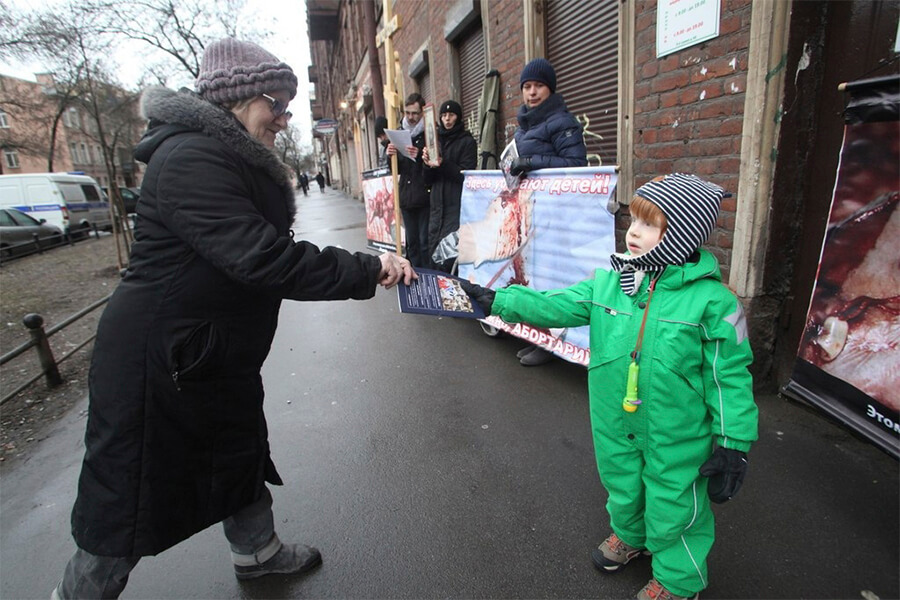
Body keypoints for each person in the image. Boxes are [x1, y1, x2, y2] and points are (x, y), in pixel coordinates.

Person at [52, 37, 415, 599]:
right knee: (128, 496)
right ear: (239, 97)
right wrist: (367, 270)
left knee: (236, 449)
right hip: (160, 363)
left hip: (205, 351)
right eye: (277, 103)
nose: (284, 117)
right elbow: (262, 257)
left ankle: (259, 555)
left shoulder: (220, 152)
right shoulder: (191, 157)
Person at [461, 173, 758, 600]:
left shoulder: (714, 303)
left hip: (676, 433)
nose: (633, 232)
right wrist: (498, 301)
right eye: (633, 220)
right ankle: (630, 535)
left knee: (674, 503)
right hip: (614, 419)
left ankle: (679, 581)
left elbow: (728, 375)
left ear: (684, 234)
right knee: (623, 482)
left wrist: (733, 442)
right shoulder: (611, 283)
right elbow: (556, 304)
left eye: (651, 224)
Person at [509, 57, 587, 366]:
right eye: (527, 86)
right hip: (532, 215)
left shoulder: (563, 122)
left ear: (549, 88)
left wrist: (530, 163)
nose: (531, 92)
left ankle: (553, 342)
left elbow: (577, 166)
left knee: (553, 281)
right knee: (534, 278)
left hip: (557, 217)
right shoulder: (523, 126)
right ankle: (537, 336)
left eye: (538, 86)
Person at [422, 100, 477, 272]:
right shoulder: (435, 141)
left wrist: (442, 163)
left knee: (449, 255)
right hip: (437, 207)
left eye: (451, 115)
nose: (447, 119)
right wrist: (426, 164)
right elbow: (428, 180)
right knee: (432, 251)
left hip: (456, 206)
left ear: (458, 117)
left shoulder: (467, 142)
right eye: (444, 115)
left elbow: (465, 175)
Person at [386, 93, 430, 268]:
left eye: (414, 113)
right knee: (411, 242)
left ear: (421, 113)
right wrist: (390, 155)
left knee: (424, 241)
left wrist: (419, 155)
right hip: (406, 196)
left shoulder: (428, 133)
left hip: (424, 196)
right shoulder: (398, 133)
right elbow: (396, 169)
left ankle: (427, 276)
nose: (410, 117)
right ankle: (414, 276)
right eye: (408, 113)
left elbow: (433, 163)